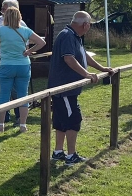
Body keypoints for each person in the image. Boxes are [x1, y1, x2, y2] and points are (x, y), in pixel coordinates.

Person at [48, 11, 113, 165]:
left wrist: (102, 68)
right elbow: (69, 58)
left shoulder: (74, 35)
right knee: (72, 120)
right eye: (89, 25)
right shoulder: (67, 36)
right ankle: (71, 156)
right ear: (85, 25)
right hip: (64, 88)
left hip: (66, 89)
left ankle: (58, 152)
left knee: (61, 120)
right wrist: (86, 74)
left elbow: (83, 55)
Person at [0, 6, 46, 132]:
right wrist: (29, 51)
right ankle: (23, 125)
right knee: (23, 95)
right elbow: (41, 42)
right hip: (23, 65)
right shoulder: (25, 30)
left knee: (4, 95)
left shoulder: (1, 30)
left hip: (6, 65)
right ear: (19, 17)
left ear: (6, 17)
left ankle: (1, 124)